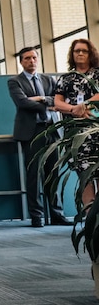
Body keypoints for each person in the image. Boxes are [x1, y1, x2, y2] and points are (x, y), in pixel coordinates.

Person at [8, 47, 68, 227]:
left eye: (34, 58)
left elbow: (58, 101)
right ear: (21, 61)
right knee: (33, 174)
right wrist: (46, 102)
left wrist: (40, 98)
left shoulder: (48, 79)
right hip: (31, 132)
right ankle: (37, 216)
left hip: (51, 129)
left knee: (53, 173)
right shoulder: (14, 81)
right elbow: (22, 103)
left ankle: (57, 214)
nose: (31, 61)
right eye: (27, 58)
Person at [54, 38, 99, 212]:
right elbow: (58, 103)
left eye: (84, 51)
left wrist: (85, 105)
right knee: (84, 175)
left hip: (95, 130)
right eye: (76, 51)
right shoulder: (65, 78)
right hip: (76, 133)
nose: (80, 54)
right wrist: (74, 109)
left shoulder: (97, 74)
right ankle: (90, 220)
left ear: (91, 54)